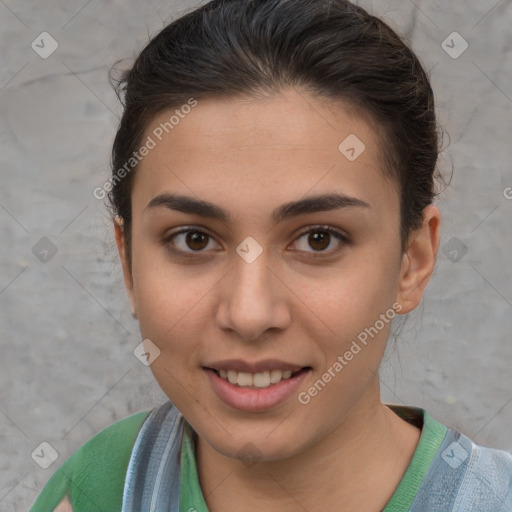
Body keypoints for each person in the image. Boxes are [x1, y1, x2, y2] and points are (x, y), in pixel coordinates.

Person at [30, 0, 512, 510]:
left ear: (412, 261)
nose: (249, 313)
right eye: (193, 239)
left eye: (319, 239)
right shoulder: (101, 487)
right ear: (128, 263)